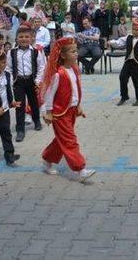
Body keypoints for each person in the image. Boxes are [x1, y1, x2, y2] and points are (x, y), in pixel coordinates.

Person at [41, 37, 96, 181]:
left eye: (76, 51)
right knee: (70, 140)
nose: (76, 54)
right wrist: (48, 112)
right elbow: (49, 94)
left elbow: (75, 92)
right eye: (72, 52)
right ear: (63, 55)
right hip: (59, 113)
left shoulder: (74, 70)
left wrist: (78, 107)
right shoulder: (59, 74)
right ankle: (81, 169)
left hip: (70, 111)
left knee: (62, 139)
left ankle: (47, 159)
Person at [6, 26, 46, 142]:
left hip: (32, 81)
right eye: (21, 37)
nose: (24, 39)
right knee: (20, 105)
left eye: (27, 37)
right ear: (17, 39)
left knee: (34, 102)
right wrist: (10, 81)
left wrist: (38, 81)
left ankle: (37, 121)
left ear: (31, 38)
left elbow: (41, 67)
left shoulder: (35, 52)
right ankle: (20, 129)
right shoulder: (11, 52)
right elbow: (8, 68)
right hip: (18, 82)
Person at [110, 19, 138, 106]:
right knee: (122, 77)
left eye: (136, 30)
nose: (134, 31)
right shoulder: (128, 37)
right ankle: (124, 96)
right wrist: (111, 42)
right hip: (128, 61)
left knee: (137, 81)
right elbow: (119, 42)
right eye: (133, 29)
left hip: (137, 63)